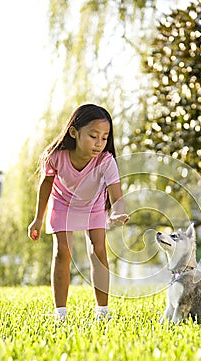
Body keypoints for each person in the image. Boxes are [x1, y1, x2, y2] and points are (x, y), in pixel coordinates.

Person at [28, 104, 129, 321]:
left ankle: (102, 311)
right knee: (62, 252)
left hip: (93, 205)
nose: (99, 143)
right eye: (93, 136)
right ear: (74, 132)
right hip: (62, 203)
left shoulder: (106, 160)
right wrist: (38, 219)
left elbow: (115, 192)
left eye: (104, 137)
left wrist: (118, 212)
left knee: (99, 251)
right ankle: (60, 313)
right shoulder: (56, 156)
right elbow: (45, 186)